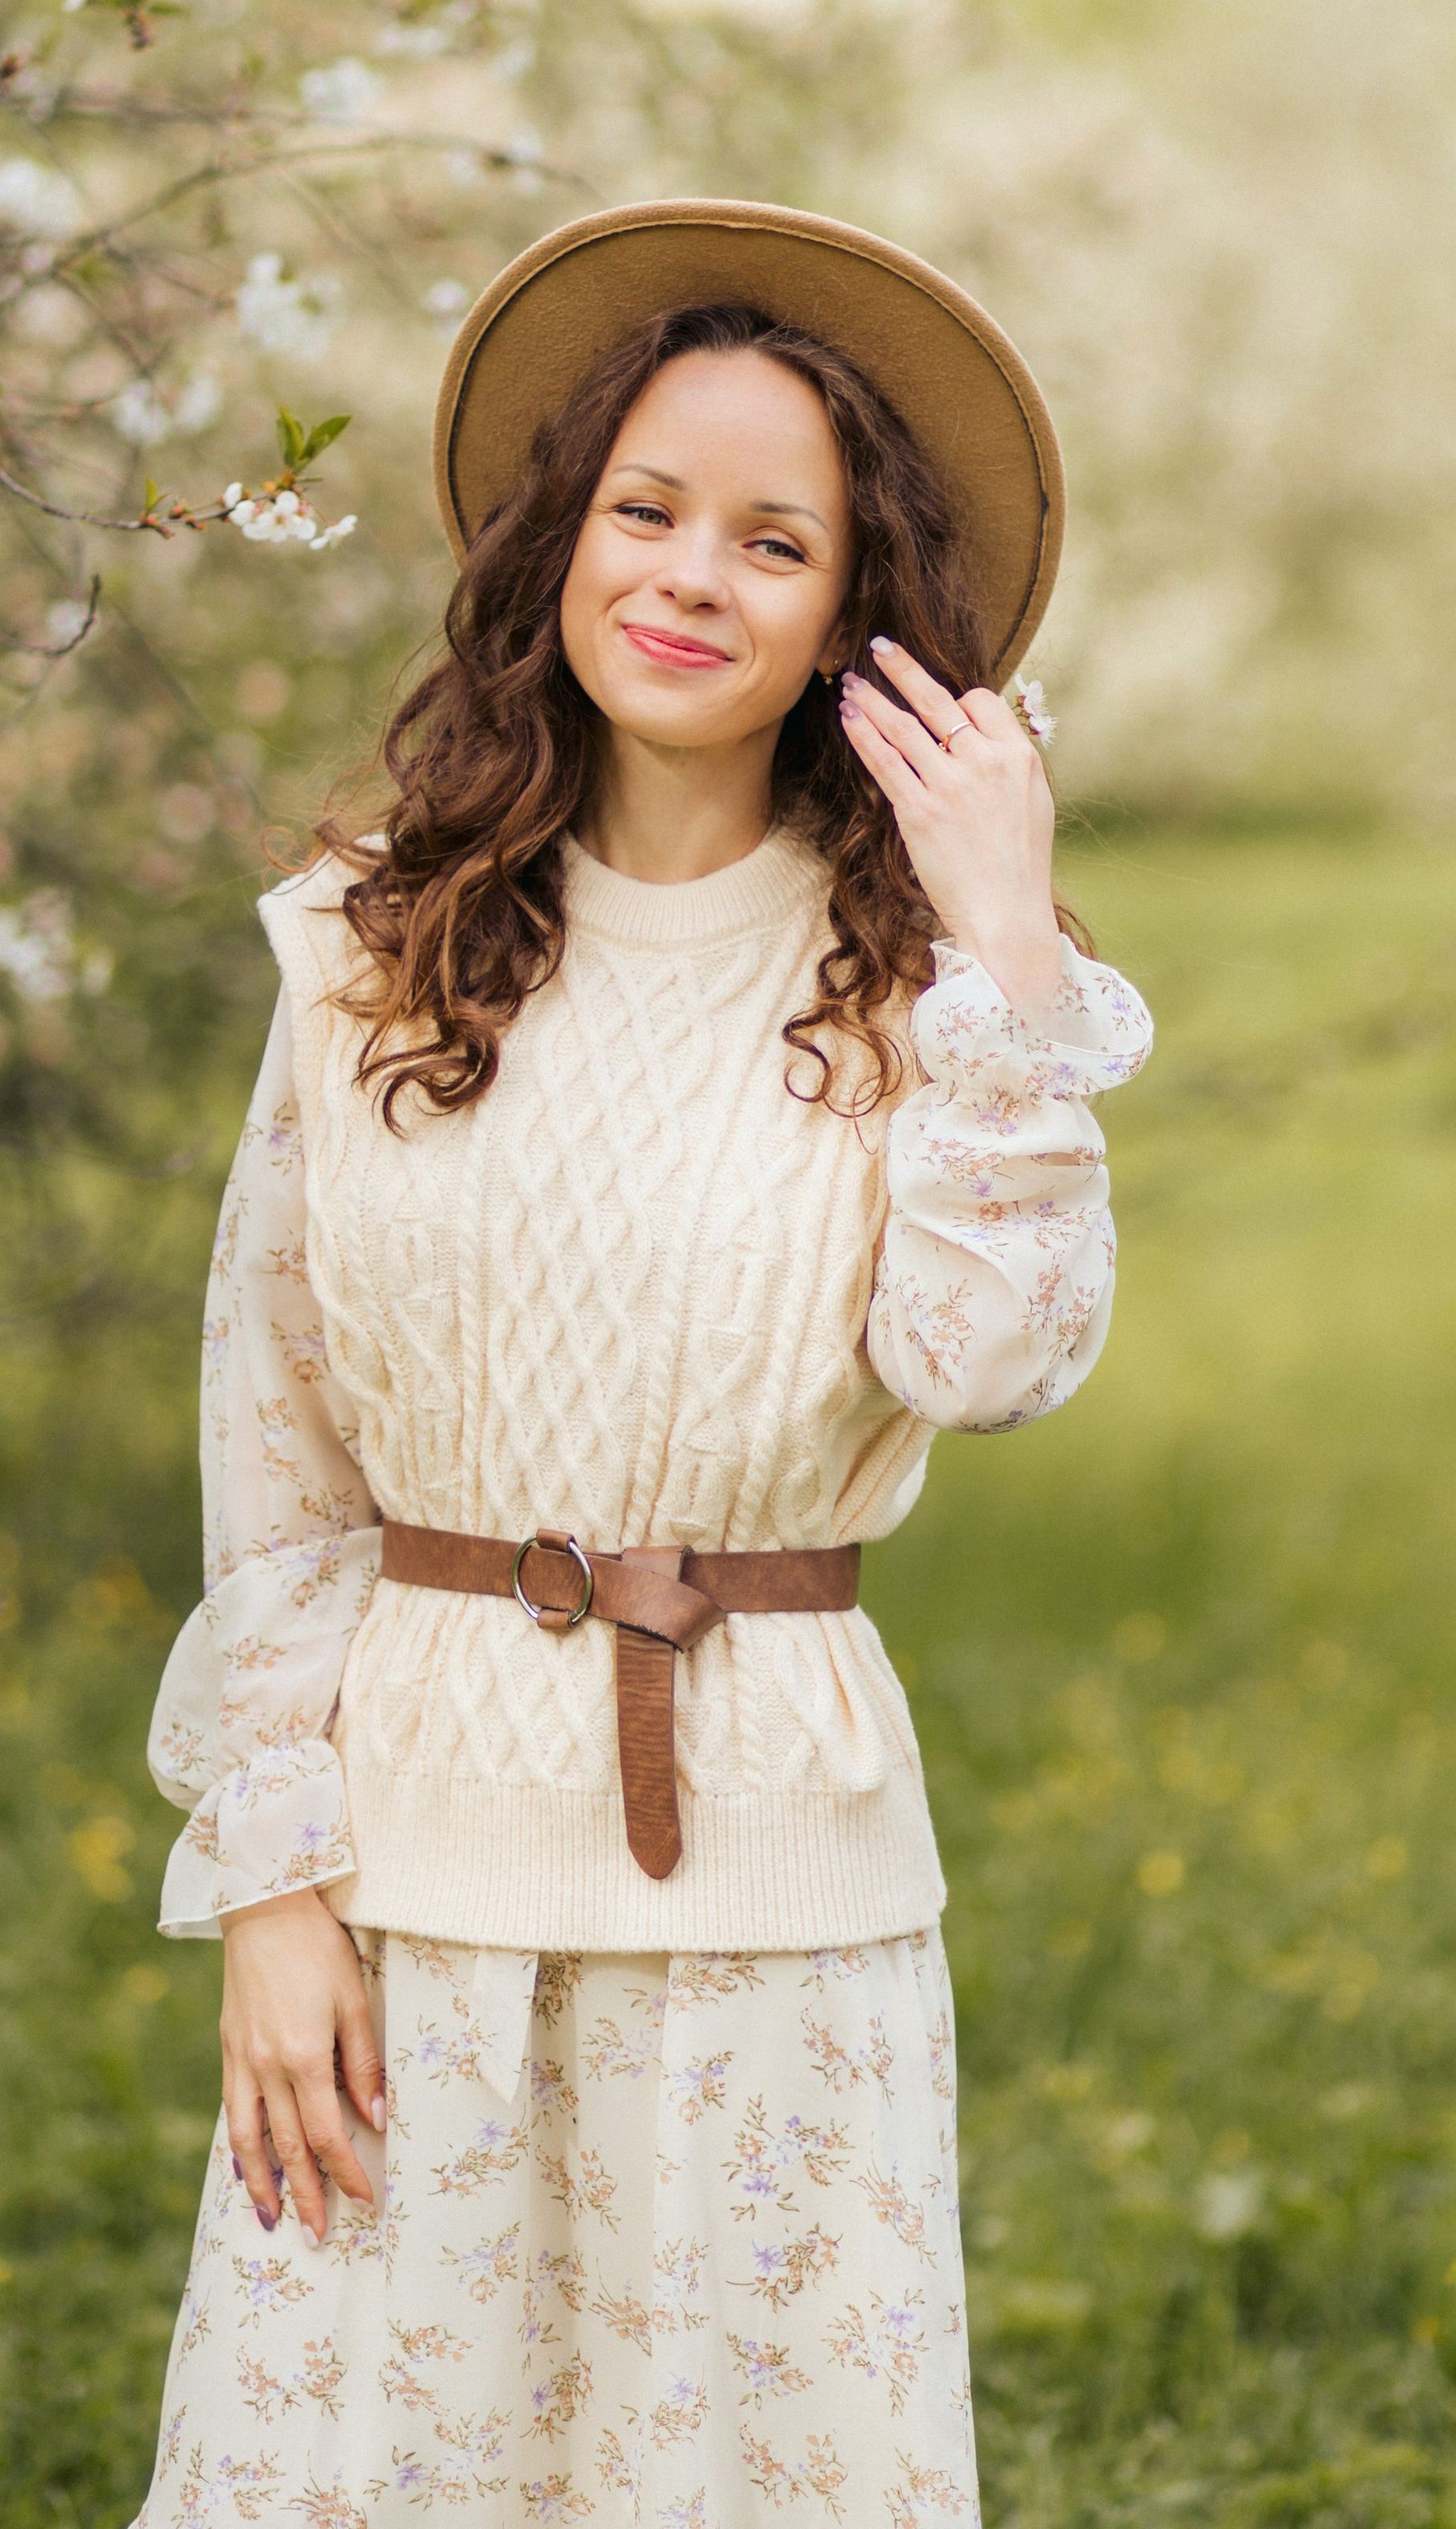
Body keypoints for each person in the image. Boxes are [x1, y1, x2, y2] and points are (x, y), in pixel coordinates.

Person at [135, 200, 1151, 2523]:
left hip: (779, 1890)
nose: (693, 575)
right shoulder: (366, 954)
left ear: (844, 618)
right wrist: (274, 1891)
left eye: (773, 540)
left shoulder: (931, 999)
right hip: (408, 1869)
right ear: (561, 543)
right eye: (647, 509)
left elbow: (996, 1361)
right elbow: (274, 1450)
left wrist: (1001, 941)